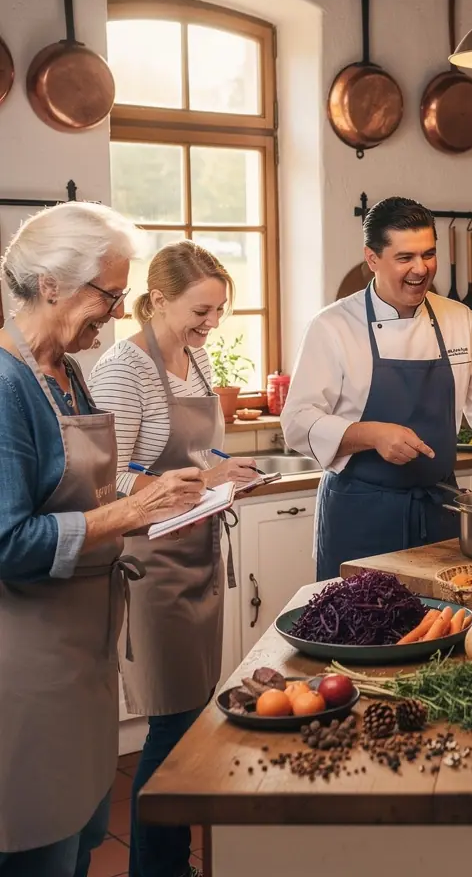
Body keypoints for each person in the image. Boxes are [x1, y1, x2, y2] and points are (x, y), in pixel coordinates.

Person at [0, 204, 205, 877]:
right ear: (51, 285)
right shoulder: (7, 387)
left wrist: (149, 503)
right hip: (29, 668)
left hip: (84, 657)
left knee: (83, 838)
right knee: (38, 843)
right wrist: (129, 511)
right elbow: (8, 541)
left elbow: (89, 500)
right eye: (107, 295)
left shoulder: (71, 377)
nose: (115, 314)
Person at [282, 197, 472, 579]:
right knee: (361, 629)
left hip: (440, 510)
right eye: (405, 257)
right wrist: (370, 434)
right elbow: (297, 422)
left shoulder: (457, 318)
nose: (420, 269)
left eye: (428, 254)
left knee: (443, 627)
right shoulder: (332, 326)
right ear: (372, 258)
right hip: (361, 514)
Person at [90, 241, 257, 877]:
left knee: (189, 720)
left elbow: (192, 454)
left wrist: (225, 469)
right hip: (153, 568)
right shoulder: (121, 370)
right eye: (200, 310)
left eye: (218, 311)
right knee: (171, 728)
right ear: (157, 300)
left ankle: (168, 865)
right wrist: (188, 484)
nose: (211, 324)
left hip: (200, 553)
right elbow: (111, 475)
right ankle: (156, 870)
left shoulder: (195, 357)